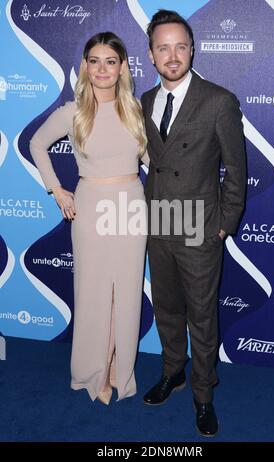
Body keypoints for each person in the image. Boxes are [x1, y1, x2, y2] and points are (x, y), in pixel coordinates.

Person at [141, 10, 246, 437]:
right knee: (167, 310)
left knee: (202, 317)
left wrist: (222, 226)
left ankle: (203, 395)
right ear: (150, 55)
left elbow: (235, 172)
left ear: (192, 49)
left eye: (180, 46)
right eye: (163, 47)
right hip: (159, 225)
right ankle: (173, 372)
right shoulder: (144, 102)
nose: (172, 55)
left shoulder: (219, 100)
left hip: (200, 228)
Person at [30, 32, 149, 405]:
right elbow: (36, 144)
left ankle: (118, 368)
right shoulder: (73, 112)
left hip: (131, 204)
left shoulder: (135, 111)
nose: (102, 69)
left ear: (122, 68)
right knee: (95, 293)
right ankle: (92, 371)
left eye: (110, 61)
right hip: (91, 206)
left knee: (126, 293)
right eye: (94, 61)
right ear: (85, 66)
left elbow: (150, 162)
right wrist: (57, 190)